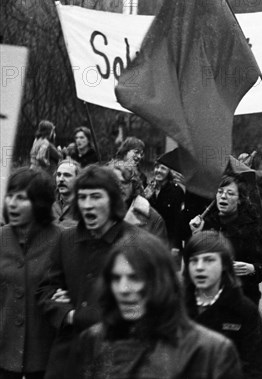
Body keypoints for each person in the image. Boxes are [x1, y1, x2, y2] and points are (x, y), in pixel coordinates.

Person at [70, 231, 242, 379]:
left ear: (161, 281)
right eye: (116, 278)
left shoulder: (210, 351)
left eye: (135, 277)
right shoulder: (93, 340)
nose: (123, 289)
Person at [37, 165, 153, 379]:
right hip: (68, 360)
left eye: (96, 197)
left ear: (112, 200)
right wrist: (67, 315)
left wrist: (84, 315)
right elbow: (46, 290)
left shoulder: (137, 242)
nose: (88, 205)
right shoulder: (66, 239)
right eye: (82, 198)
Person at [0, 168, 61, 379]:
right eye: (10, 197)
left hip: (47, 358)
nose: (13, 204)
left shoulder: (62, 239)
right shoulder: (1, 238)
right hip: (4, 355)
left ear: (39, 203)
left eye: (21, 198)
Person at [183, 231, 262, 378]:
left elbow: (253, 370)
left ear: (224, 265)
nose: (199, 267)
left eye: (209, 260)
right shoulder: (174, 305)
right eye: (194, 260)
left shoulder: (244, 311)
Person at [189, 175, 262, 306]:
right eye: (220, 192)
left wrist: (251, 269)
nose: (223, 196)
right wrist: (196, 234)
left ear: (240, 199)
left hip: (242, 298)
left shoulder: (251, 227)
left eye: (230, 193)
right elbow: (194, 263)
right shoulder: (207, 223)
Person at [108, 162, 167, 240]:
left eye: (124, 183)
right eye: (114, 183)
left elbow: (159, 250)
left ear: (133, 184)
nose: (120, 188)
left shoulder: (153, 219)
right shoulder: (98, 213)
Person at [145, 161, 186, 250]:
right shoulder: (148, 188)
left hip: (167, 242)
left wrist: (175, 246)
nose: (158, 170)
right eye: (157, 167)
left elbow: (178, 221)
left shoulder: (176, 191)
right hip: (149, 240)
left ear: (169, 172)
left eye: (163, 168)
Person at [53, 159, 81, 228]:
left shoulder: (83, 204)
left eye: (67, 175)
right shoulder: (47, 200)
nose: (61, 179)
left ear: (78, 179)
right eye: (58, 175)